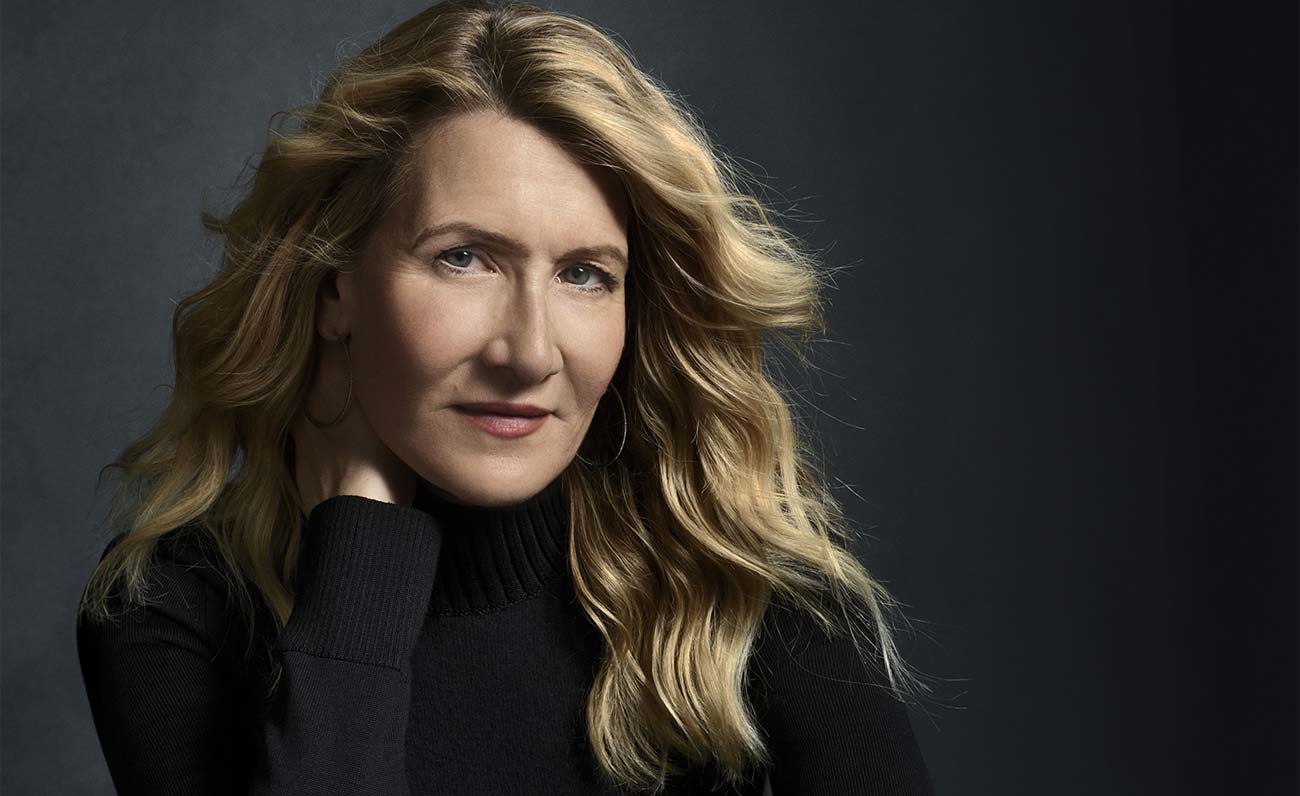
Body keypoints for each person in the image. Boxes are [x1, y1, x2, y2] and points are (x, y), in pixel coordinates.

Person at [74, 1, 936, 793]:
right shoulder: (170, 609)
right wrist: (360, 549)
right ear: (336, 286)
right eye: (464, 258)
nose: (528, 353)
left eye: (585, 275)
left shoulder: (741, 585)